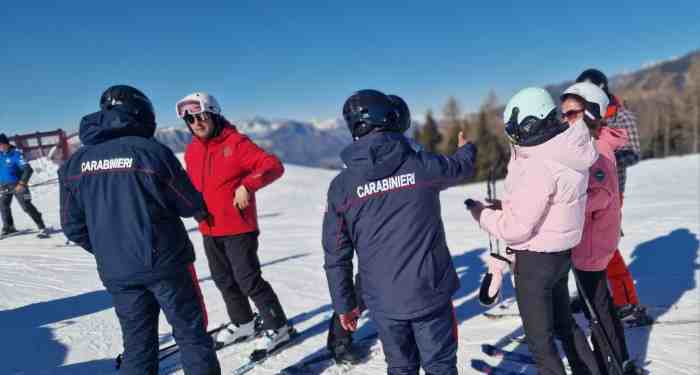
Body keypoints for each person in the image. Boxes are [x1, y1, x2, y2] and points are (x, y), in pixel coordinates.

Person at [59, 85, 221, 375]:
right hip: (165, 264)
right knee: (190, 335)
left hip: (117, 271)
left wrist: (109, 247)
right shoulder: (152, 152)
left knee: (137, 345)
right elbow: (188, 203)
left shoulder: (75, 164)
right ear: (140, 112)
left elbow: (72, 226)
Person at [323, 89, 477, 375]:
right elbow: (460, 167)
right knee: (440, 367)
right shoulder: (421, 166)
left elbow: (336, 253)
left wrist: (345, 304)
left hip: (382, 300)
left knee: (400, 367)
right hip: (429, 293)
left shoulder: (341, 187)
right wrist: (467, 148)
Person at [466, 87, 600, 375]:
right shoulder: (566, 149)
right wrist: (506, 205)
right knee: (566, 326)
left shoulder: (539, 160)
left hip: (535, 262)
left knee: (542, 344)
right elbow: (552, 205)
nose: (513, 135)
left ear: (529, 124)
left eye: (514, 128)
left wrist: (483, 215)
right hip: (560, 254)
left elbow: (516, 229)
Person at [177, 92, 292, 358]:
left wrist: (247, 185)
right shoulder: (193, 149)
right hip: (209, 227)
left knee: (248, 280)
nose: (196, 123)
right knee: (223, 280)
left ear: (214, 114)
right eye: (190, 119)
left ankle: (279, 327)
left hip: (239, 227)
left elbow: (273, 165)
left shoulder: (236, 143)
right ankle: (244, 323)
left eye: (201, 116)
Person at [324, 94, 413, 366]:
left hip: (396, 245)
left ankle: (344, 337)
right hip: (381, 249)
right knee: (363, 291)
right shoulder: (377, 152)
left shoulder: (396, 152)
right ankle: (339, 340)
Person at [562, 82, 642, 375]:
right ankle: (613, 358)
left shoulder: (597, 150)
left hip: (591, 245)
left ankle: (616, 361)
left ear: (592, 113)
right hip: (590, 240)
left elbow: (602, 194)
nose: (565, 120)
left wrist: (565, 203)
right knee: (598, 305)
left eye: (572, 114)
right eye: (564, 114)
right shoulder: (593, 144)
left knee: (598, 308)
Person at [575, 69, 650, 324]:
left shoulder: (621, 116)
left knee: (606, 247)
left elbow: (633, 153)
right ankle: (588, 294)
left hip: (611, 191)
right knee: (581, 245)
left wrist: (604, 156)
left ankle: (627, 302)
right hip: (582, 192)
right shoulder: (581, 117)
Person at [0, 133, 49, 238]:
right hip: (4, 186)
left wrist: (22, 183)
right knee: (3, 206)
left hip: (18, 185)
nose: (0, 147)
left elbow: (28, 169)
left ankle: (41, 226)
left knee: (26, 206)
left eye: (1, 144)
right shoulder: (0, 155)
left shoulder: (16, 154)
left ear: (6, 144)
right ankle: (9, 227)